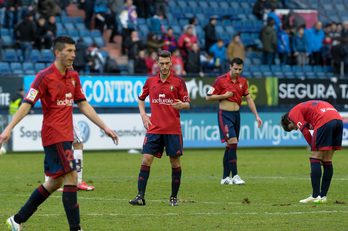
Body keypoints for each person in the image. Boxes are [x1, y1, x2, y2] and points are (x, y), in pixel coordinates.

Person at [0, 35, 118, 231]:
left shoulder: (73, 76)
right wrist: (8, 128)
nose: (73, 54)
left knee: (55, 182)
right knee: (72, 178)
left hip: (66, 136)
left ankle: (17, 219)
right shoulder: (44, 77)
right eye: (69, 51)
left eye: (74, 51)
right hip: (54, 135)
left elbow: (83, 104)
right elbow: (27, 104)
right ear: (57, 52)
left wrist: (104, 126)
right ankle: (76, 228)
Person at [129, 50, 190, 206]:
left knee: (175, 164)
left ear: (171, 62)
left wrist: (182, 105)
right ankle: (140, 196)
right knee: (145, 160)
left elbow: (188, 103)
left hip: (172, 130)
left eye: (167, 63)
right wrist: (143, 115)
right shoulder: (150, 80)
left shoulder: (178, 81)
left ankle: (173, 198)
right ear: (157, 63)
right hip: (154, 129)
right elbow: (141, 98)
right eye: (161, 63)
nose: (164, 66)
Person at [206, 57, 262, 185]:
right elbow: (208, 96)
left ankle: (225, 177)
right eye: (235, 69)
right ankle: (235, 175)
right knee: (233, 141)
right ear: (230, 67)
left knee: (229, 146)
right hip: (224, 115)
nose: (237, 71)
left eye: (240, 69)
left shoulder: (242, 81)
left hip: (236, 115)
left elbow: (248, 99)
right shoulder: (219, 80)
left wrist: (257, 116)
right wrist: (223, 96)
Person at [280, 100, 342, 203]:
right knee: (327, 159)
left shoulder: (292, 114)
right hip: (338, 120)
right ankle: (323, 196)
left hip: (325, 119)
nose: (296, 129)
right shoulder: (305, 112)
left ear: (289, 120)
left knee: (314, 157)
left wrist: (313, 148)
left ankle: (315, 195)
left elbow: (305, 132)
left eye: (292, 127)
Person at [45, 120, 95, 191]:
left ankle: (48, 182)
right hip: (64, 115)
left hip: (50, 117)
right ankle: (78, 182)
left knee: (53, 145)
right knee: (78, 144)